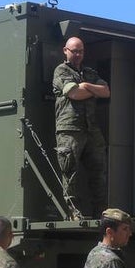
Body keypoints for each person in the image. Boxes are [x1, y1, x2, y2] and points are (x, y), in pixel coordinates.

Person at [53, 36, 110, 219]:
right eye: (74, 51)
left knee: (98, 172)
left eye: (80, 51)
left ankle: (101, 213)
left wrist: (85, 85)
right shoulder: (61, 71)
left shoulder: (89, 73)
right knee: (70, 171)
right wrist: (90, 90)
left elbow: (106, 91)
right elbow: (74, 93)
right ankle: (73, 213)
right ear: (65, 51)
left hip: (91, 128)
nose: (77, 54)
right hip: (70, 129)